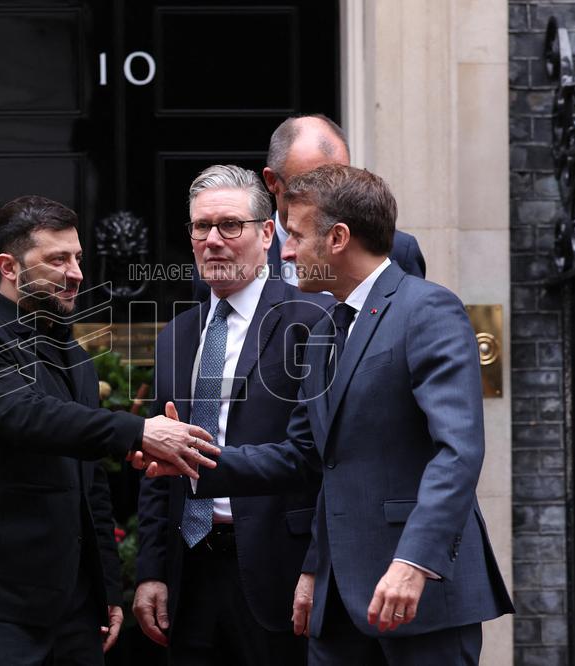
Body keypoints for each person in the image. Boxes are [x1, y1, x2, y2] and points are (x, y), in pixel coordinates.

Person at [142, 165, 514, 665]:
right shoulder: (327, 328)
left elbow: (458, 452)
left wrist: (414, 560)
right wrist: (191, 460)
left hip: (417, 590)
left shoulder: (427, 309)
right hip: (336, 602)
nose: (286, 252)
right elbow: (307, 457)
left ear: (337, 238)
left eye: (295, 236)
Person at [0, 195, 219, 666]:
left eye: (78, 258)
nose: (77, 273)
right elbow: (31, 417)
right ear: (9, 267)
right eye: (57, 259)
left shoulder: (76, 359)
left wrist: (106, 587)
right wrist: (139, 431)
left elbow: (91, 485)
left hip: (75, 608)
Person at [135, 165, 331, 665]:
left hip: (279, 571)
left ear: (266, 234)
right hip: (190, 575)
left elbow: (326, 461)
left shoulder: (312, 322)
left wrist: (318, 566)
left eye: (229, 225)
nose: (213, 241)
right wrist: (152, 570)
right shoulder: (176, 335)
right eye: (201, 227)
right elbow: (159, 466)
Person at [191, 114, 424, 301]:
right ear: (272, 181)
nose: (328, 197)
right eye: (305, 187)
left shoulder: (395, 251)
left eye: (339, 180)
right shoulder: (224, 259)